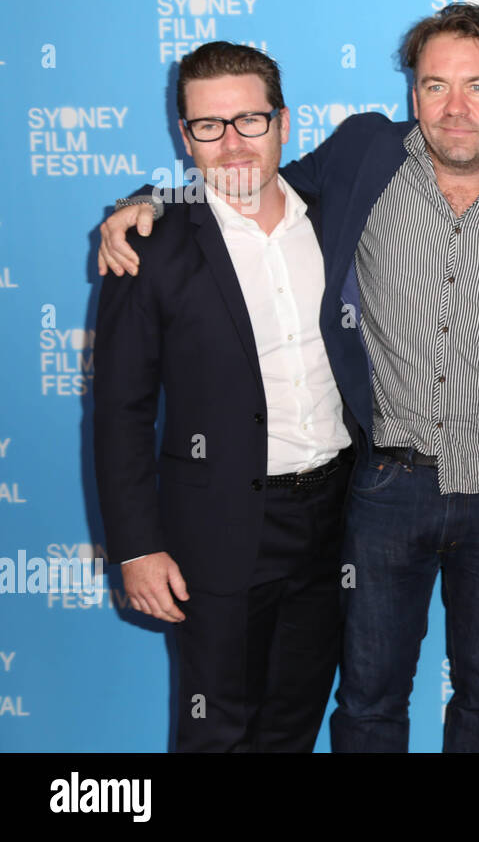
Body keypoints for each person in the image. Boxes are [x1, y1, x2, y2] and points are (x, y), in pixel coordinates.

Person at [97, 4, 479, 753]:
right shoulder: (362, 158)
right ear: (412, 94)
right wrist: (144, 203)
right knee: (365, 697)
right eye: (435, 84)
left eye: (477, 86)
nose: (454, 106)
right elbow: (235, 190)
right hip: (381, 490)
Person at [94, 41, 353, 752]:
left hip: (335, 520)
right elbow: (120, 410)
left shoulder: (337, 220)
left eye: (250, 120)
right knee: (216, 731)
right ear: (185, 135)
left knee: (293, 724)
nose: (233, 143)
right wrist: (137, 547)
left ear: (284, 122)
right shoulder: (148, 244)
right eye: (209, 126)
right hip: (217, 529)